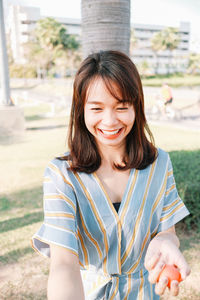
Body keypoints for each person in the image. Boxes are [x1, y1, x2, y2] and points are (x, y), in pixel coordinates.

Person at [31, 50, 190, 300]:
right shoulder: (61, 175)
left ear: (136, 107)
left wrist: (167, 242)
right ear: (81, 110)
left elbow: (166, 232)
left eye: (121, 107)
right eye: (96, 108)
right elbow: (63, 264)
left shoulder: (160, 163)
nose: (110, 120)